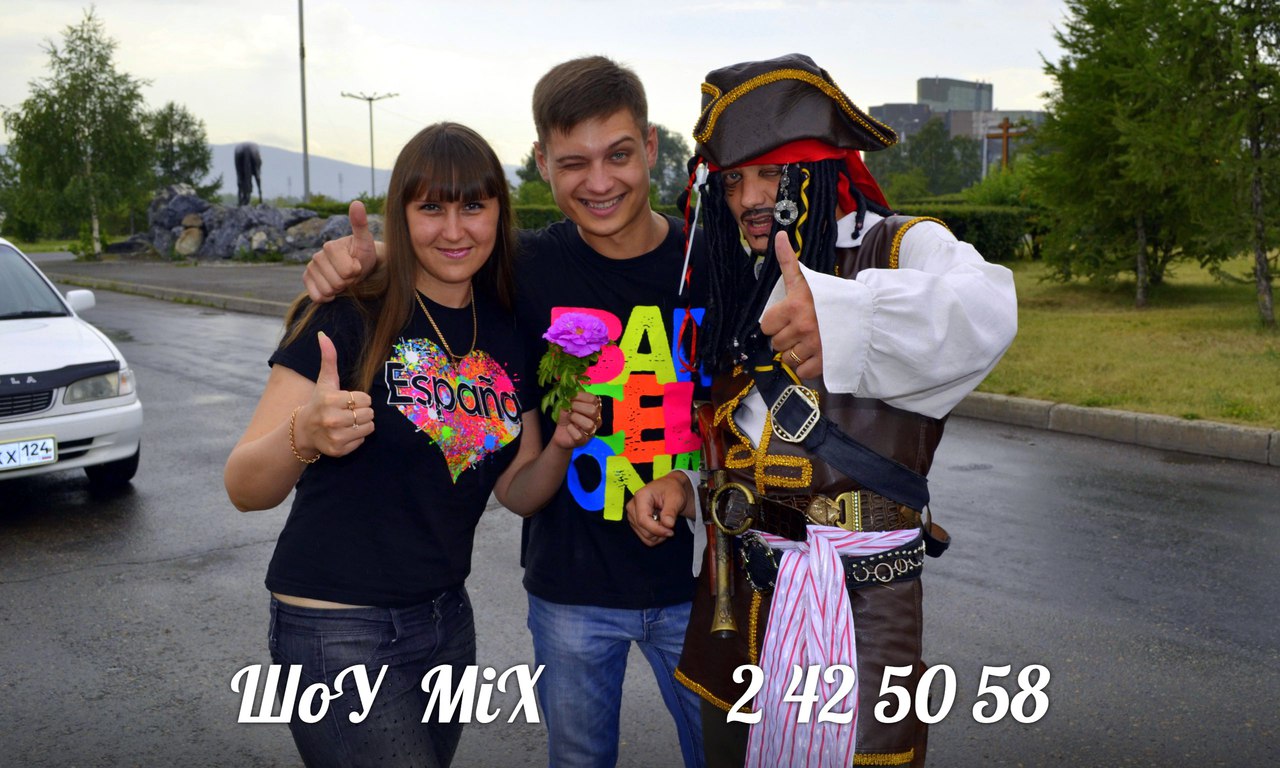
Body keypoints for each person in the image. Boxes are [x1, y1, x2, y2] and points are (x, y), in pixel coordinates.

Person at [302, 57, 709, 767]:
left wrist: (690, 480)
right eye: (573, 162)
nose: (600, 182)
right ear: (542, 163)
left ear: (651, 146)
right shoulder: (525, 267)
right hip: (570, 592)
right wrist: (358, 259)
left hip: (702, 588)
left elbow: (741, 407)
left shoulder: (708, 262)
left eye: (618, 155)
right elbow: (445, 249)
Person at [625, 54, 1018, 768]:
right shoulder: (733, 272)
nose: (749, 198)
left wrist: (849, 318)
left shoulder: (897, 247)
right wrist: (686, 484)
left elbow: (988, 307)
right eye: (732, 179)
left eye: (770, 173)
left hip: (861, 615)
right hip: (736, 605)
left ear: (817, 168)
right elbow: (738, 435)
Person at [224, 122, 601, 768]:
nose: (453, 230)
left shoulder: (506, 329)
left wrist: (564, 444)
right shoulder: (348, 314)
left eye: (473, 206)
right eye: (431, 208)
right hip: (337, 630)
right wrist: (304, 434)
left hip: (446, 623)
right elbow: (243, 486)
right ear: (401, 215)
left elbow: (519, 491)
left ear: (499, 212)